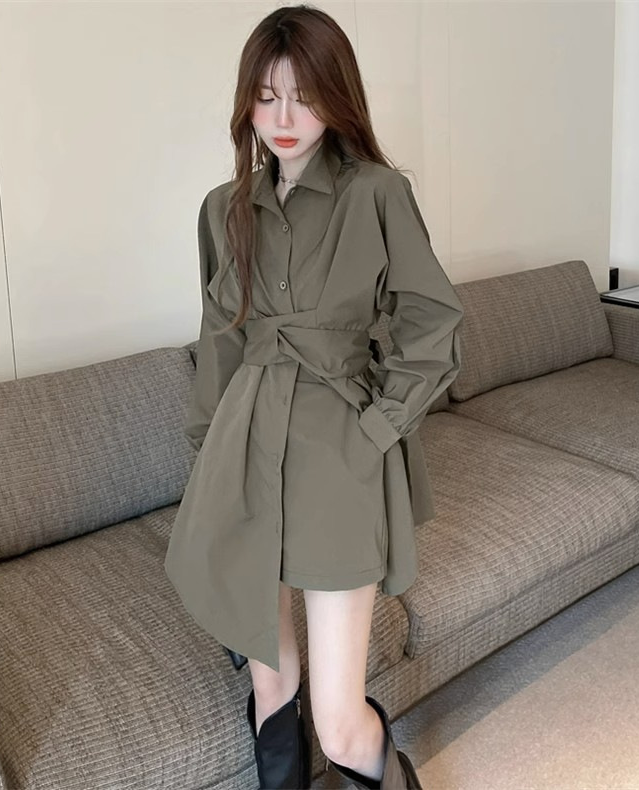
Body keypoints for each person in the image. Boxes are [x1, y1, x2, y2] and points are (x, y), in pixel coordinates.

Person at [164, 5, 464, 789]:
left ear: (337, 97)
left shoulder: (378, 194)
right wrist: (207, 461)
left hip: (339, 455)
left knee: (337, 721)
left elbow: (433, 322)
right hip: (243, 450)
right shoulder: (222, 210)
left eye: (304, 96)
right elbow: (220, 342)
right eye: (266, 97)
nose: (284, 119)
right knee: (273, 692)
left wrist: (378, 429)